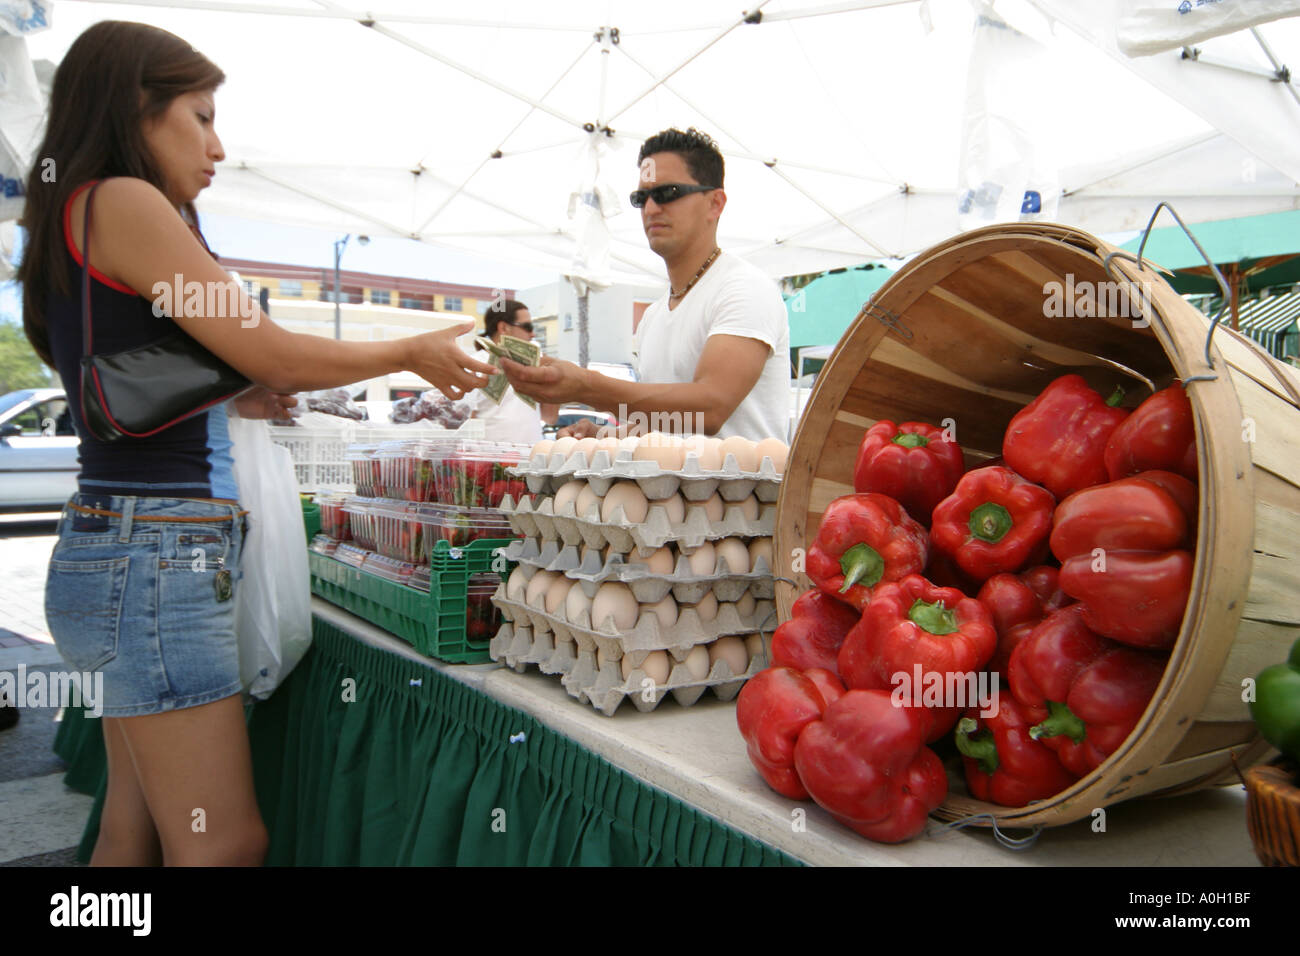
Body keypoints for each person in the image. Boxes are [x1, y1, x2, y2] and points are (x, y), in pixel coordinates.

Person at [16, 21, 495, 867]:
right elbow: (266, 343)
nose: (218, 146)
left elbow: (145, 366)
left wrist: (236, 382)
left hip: (117, 543)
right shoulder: (125, 198)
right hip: (158, 555)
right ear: (137, 105)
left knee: (132, 832)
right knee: (223, 844)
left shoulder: (73, 210)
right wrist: (408, 349)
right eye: (199, 117)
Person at [502, 127, 790, 440]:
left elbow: (710, 410)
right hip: (673, 489)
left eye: (668, 194)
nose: (651, 208)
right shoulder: (654, 316)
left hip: (744, 490)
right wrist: (603, 435)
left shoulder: (744, 288)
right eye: (642, 198)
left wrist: (587, 386)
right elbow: (666, 425)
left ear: (715, 203)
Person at [465, 298, 558, 442]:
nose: (532, 334)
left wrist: (552, 380)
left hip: (532, 459)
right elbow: (463, 421)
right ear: (503, 328)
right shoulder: (475, 364)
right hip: (492, 461)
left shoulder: (538, 364)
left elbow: (550, 418)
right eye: (527, 327)